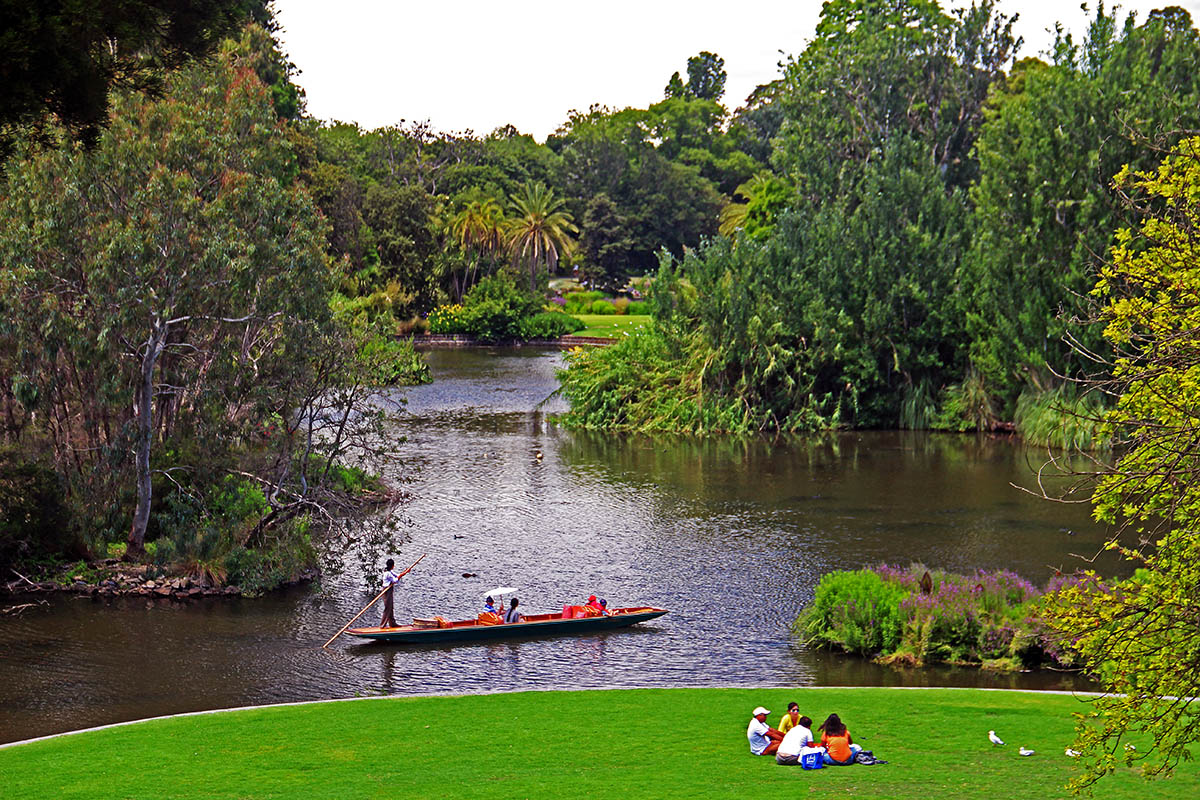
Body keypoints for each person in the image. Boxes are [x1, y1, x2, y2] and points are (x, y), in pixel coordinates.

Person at [379, 559, 400, 628]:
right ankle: (382, 625)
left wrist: (405, 572)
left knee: (391, 607)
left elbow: (397, 575)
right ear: (392, 566)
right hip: (386, 591)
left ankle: (392, 623)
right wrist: (399, 577)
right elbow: (395, 580)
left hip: (389, 590)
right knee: (387, 607)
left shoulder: (390, 572)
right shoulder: (387, 573)